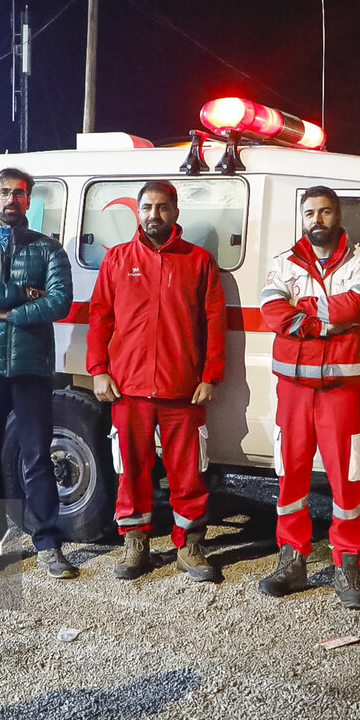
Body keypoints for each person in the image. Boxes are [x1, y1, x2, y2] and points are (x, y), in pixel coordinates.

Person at [87, 180, 227, 582]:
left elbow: (214, 321)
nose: (154, 214)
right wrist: (98, 369)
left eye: (162, 207)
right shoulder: (117, 258)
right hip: (128, 387)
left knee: (189, 472)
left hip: (183, 387)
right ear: (138, 212)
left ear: (176, 212)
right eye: (147, 207)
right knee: (132, 469)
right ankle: (136, 542)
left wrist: (210, 375)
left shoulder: (198, 261)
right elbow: (100, 316)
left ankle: (190, 545)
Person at [257, 186, 360, 609]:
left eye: (325, 211)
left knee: (348, 479)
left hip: (341, 389)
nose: (317, 220)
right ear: (302, 217)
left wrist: (302, 310)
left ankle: (347, 565)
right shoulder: (283, 261)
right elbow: (271, 310)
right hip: (292, 389)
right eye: (310, 213)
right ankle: (292, 560)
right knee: (290, 476)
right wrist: (322, 321)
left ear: (338, 215)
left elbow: (356, 307)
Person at [0, 167, 76, 579]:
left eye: (19, 193)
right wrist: (24, 293)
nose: (11, 199)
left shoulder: (48, 249)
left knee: (38, 459)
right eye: (4, 192)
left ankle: (48, 545)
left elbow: (59, 302)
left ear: (29, 201)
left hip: (30, 367)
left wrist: (9, 314)